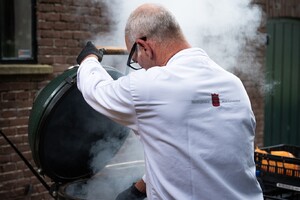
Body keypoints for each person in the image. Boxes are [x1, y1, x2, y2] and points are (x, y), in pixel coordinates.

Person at [76, 3, 263, 200]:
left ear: (144, 47)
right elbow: (197, 155)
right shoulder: (234, 84)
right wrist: (140, 188)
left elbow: (96, 90)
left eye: (135, 59)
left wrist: (89, 59)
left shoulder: (152, 85)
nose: (139, 66)